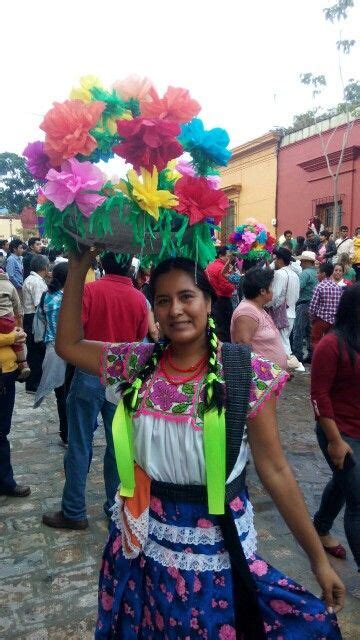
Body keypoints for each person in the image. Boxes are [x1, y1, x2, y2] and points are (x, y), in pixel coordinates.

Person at [55, 250, 344, 639]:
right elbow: (69, 345)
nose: (175, 309)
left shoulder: (245, 372)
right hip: (143, 543)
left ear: (209, 302)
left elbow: (275, 471)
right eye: (163, 300)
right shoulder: (137, 364)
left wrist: (317, 561)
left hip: (216, 549)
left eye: (186, 296)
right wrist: (77, 268)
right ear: (153, 310)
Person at [42, 252, 148, 530]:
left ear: (102, 264)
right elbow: (139, 339)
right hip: (121, 377)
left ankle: (74, 510)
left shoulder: (90, 291)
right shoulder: (139, 298)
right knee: (117, 447)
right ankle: (115, 508)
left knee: (79, 443)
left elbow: (75, 333)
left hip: (89, 371)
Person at [311, 284, 360, 571]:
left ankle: (320, 527)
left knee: (344, 485)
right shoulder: (331, 344)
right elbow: (319, 395)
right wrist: (335, 441)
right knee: (357, 500)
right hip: (338, 432)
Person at [34, 262, 70, 444]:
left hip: (52, 350)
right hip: (72, 350)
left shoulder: (45, 297)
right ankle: (72, 432)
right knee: (71, 393)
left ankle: (65, 433)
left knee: (60, 395)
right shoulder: (71, 298)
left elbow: (39, 323)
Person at [230, 266, 288, 370]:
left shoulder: (258, 308)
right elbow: (243, 351)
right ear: (262, 291)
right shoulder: (246, 312)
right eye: (271, 287)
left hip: (272, 378)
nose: (273, 290)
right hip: (260, 382)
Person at [0, 322, 30, 497]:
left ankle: (5, 482)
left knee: (2, 431)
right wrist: (13, 337)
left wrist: (17, 331)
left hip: (6, 373)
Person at [22, 254, 49, 393]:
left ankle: (33, 382)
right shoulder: (36, 282)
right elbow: (40, 304)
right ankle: (34, 383)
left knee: (34, 350)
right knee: (36, 351)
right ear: (45, 267)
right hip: (34, 318)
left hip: (31, 317)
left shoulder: (32, 279)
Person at [269, 247, 300, 362]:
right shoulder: (294, 275)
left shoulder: (280, 274)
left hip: (281, 313)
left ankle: (286, 368)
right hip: (291, 313)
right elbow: (296, 296)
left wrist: (265, 305)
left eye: (275, 259)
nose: (275, 262)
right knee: (284, 341)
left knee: (281, 344)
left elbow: (274, 296)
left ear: (280, 260)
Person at [0, 269, 30, 379]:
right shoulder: (9, 285)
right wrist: (15, 336)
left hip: (7, 368)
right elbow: (18, 308)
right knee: (19, 338)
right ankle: (23, 364)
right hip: (8, 320)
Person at [309, 263, 342, 351]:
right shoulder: (337, 287)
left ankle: (317, 360)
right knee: (330, 343)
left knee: (316, 341)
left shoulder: (319, 287)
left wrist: (312, 319)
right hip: (333, 320)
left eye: (318, 273)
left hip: (320, 319)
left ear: (323, 274)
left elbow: (313, 306)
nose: (317, 275)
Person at [292, 251, 318, 365]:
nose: (301, 263)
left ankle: (298, 355)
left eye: (302, 261)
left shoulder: (305, 274)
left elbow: (297, 288)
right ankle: (312, 354)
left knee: (298, 330)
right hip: (313, 304)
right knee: (309, 331)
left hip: (303, 304)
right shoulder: (316, 273)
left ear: (308, 262)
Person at [205, 246, 235, 342]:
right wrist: (234, 286)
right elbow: (226, 287)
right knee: (225, 328)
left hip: (212, 300)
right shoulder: (221, 268)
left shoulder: (210, 266)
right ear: (221, 256)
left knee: (216, 326)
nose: (229, 258)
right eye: (228, 256)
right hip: (223, 300)